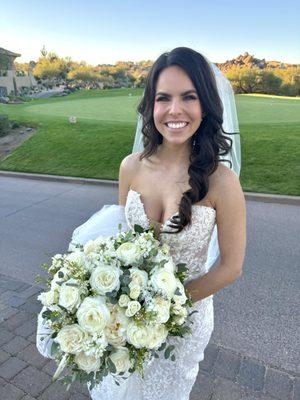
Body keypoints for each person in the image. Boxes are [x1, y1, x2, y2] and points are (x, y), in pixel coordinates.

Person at [36, 47, 246, 400]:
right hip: (123, 315)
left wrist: (163, 309)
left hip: (185, 322)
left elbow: (230, 267)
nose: (175, 110)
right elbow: (121, 237)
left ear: (206, 105)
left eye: (189, 97)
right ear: (151, 106)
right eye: (163, 98)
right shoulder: (130, 166)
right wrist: (115, 303)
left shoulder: (222, 182)